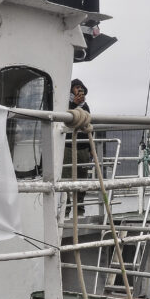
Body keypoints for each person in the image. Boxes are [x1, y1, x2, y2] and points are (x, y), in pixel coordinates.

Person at [65, 79, 92, 215]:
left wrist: (91, 148)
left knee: (82, 179)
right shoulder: (65, 103)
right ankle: (65, 209)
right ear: (71, 90)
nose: (79, 90)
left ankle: (80, 209)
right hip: (68, 146)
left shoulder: (85, 106)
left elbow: (88, 125)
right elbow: (65, 118)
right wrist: (74, 104)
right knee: (66, 179)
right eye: (76, 87)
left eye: (81, 88)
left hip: (83, 148)